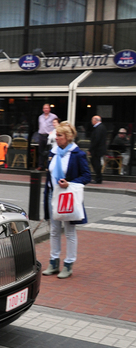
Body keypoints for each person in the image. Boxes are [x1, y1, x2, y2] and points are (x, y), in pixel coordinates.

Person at [42, 121, 91, 279]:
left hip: (68, 196)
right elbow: (49, 176)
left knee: (69, 231)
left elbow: (86, 176)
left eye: (59, 135)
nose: (56, 138)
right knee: (54, 230)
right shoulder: (53, 152)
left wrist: (70, 183)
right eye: (56, 135)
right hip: (52, 194)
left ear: (68, 137)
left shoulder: (77, 154)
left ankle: (68, 264)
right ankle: (53, 262)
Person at [37, 104, 58, 170]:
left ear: (49, 109)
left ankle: (49, 166)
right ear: (43, 109)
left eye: (47, 108)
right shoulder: (40, 117)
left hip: (49, 136)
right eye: (44, 108)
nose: (46, 109)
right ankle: (41, 166)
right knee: (41, 151)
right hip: (41, 135)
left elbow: (56, 125)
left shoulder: (53, 116)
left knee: (49, 151)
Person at [89, 115, 107, 184]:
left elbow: (96, 139)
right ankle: (98, 177)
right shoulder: (102, 127)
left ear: (95, 120)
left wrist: (91, 149)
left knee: (96, 163)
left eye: (92, 120)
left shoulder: (99, 128)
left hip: (97, 150)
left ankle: (98, 178)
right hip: (99, 149)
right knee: (96, 163)